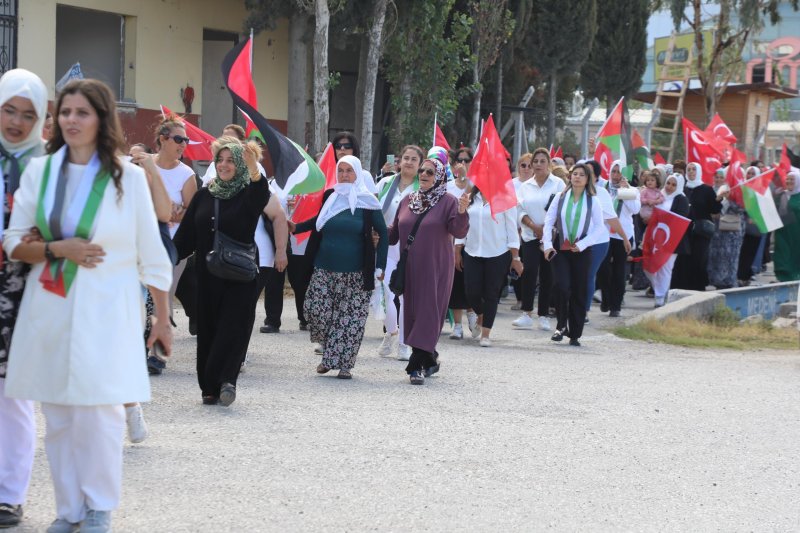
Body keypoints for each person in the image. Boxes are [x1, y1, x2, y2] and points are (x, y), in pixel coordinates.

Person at [3, 78, 173, 533]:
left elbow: (150, 251)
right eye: (65, 113)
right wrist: (61, 249)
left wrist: (161, 316)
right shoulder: (41, 172)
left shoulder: (128, 177)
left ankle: (98, 507)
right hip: (50, 304)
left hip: (108, 307)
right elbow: (14, 241)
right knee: (57, 412)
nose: (72, 121)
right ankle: (69, 509)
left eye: (82, 112)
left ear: (102, 119)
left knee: (99, 410)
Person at [173, 140, 269, 406]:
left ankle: (227, 380)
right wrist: (164, 256)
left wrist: (253, 168)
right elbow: (186, 237)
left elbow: (261, 193)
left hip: (240, 274)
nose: (224, 165)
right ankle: (209, 386)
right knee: (209, 328)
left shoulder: (249, 193)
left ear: (239, 164)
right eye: (220, 160)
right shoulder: (205, 195)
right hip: (208, 273)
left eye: (230, 160)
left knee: (233, 327)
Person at [0, 68, 47, 530]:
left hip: (20, 288)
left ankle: (9, 495)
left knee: (12, 396)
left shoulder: (45, 167)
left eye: (26, 114)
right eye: (9, 110)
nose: (15, 121)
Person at [291, 155, 387, 379]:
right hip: (324, 269)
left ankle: (340, 364)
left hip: (355, 272)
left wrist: (379, 267)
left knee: (350, 319)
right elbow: (318, 222)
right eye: (340, 170)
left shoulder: (367, 202)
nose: (344, 175)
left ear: (357, 173)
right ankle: (331, 352)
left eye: (349, 171)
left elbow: (383, 232)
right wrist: (295, 227)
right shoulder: (330, 197)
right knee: (316, 310)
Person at [389, 157, 469, 384]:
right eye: (422, 171)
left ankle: (415, 366)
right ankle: (429, 359)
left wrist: (462, 212)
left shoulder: (449, 201)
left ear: (441, 176)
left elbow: (459, 230)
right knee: (413, 313)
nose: (424, 174)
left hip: (436, 268)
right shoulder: (407, 201)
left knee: (428, 312)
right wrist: (373, 229)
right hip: (410, 268)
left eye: (430, 172)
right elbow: (394, 234)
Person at [122, 142, 173, 443]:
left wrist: (151, 168)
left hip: (138, 278)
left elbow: (165, 213)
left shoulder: (149, 194)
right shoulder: (112, 189)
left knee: (126, 346)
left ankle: (131, 407)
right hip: (103, 277)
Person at [542, 163, 606, 346]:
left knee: (579, 290)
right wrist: (547, 245)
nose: (577, 177)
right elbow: (548, 221)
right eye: (574, 174)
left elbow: (599, 227)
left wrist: (583, 244)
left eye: (581, 175)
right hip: (560, 248)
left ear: (587, 180)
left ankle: (575, 333)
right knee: (562, 286)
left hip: (581, 250)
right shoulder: (560, 197)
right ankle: (561, 325)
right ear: (570, 177)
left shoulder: (593, 200)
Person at [459, 186, 521, 346]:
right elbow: (462, 223)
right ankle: (481, 315)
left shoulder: (505, 199)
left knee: (491, 294)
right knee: (470, 291)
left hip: (497, 252)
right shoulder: (470, 197)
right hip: (472, 251)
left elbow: (512, 229)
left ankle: (486, 334)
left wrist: (516, 257)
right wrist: (457, 247)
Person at [375, 145, 421, 359]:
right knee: (383, 294)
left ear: (420, 165)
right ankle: (391, 332)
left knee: (404, 298)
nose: (409, 162)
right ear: (399, 161)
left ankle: (403, 344)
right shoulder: (385, 183)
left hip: (411, 249)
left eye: (414, 159)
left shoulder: (423, 189)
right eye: (406, 158)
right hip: (385, 246)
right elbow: (373, 210)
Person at [154, 115, 197, 335]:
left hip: (173, 245)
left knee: (165, 294)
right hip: (143, 242)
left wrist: (175, 215)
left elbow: (193, 213)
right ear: (163, 139)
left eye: (186, 140)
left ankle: (158, 353)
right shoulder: (143, 166)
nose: (183, 145)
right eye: (179, 139)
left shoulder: (186, 173)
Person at [514, 148, 564, 331]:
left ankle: (543, 315)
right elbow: (519, 210)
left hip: (551, 237)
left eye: (543, 161)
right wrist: (534, 227)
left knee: (547, 275)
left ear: (549, 163)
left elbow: (561, 209)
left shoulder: (558, 184)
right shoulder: (525, 186)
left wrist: (548, 230)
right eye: (536, 161)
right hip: (530, 235)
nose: (538, 165)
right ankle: (526, 312)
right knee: (529, 272)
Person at [598, 160, 640, 317]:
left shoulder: (632, 190)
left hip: (623, 235)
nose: (616, 175)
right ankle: (606, 298)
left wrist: (625, 191)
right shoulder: (603, 188)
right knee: (603, 269)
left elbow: (635, 209)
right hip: (604, 234)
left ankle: (616, 305)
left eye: (619, 172)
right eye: (613, 171)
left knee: (619, 270)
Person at [672, 162, 721, 291]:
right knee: (683, 259)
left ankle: (697, 287)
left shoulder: (707, 189)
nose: (691, 172)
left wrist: (719, 199)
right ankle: (682, 286)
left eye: (694, 169)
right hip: (684, 231)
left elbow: (715, 209)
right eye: (689, 169)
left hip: (701, 231)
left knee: (699, 259)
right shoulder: (682, 189)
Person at [645, 173, 690, 307]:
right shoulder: (660, 195)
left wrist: (661, 218)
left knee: (665, 268)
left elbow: (680, 218)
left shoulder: (681, 199)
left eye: (674, 184)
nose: (670, 187)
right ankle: (660, 291)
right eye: (668, 183)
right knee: (649, 267)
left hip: (672, 240)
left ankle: (660, 297)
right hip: (654, 238)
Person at [449, 146, 476, 339]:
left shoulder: (477, 184)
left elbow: (466, 200)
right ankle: (457, 325)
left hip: (473, 240)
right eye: (460, 160)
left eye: (467, 160)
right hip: (451, 241)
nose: (463, 164)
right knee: (455, 283)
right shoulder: (447, 186)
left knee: (472, 282)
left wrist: (466, 179)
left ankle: (472, 312)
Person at [707, 167, 745, 289]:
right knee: (715, 256)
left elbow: (740, 208)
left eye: (721, 177)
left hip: (731, 232)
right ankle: (716, 280)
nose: (718, 180)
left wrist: (729, 198)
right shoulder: (710, 191)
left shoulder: (733, 191)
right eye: (716, 177)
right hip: (716, 230)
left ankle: (729, 281)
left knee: (729, 257)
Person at [773, 170, 800, 281]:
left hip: (796, 232)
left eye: (792, 179)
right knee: (781, 253)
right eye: (787, 179)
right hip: (782, 232)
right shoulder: (781, 195)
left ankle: (795, 275)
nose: (789, 181)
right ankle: (782, 276)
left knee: (795, 253)